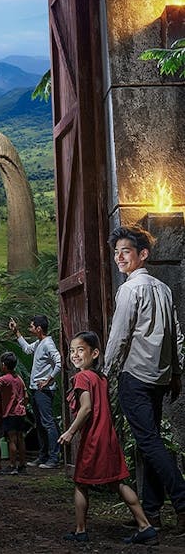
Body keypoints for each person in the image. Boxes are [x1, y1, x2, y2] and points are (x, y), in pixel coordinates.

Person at [104, 224, 185, 529]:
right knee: (146, 442)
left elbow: (119, 336)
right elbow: (176, 335)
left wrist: (104, 374)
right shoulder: (162, 288)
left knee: (148, 441)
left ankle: (181, 500)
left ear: (143, 254)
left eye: (126, 251)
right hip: (160, 378)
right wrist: (176, 373)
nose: (119, 257)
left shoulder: (130, 289)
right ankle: (151, 512)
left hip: (135, 376)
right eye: (116, 252)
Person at [57, 331, 157, 545]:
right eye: (72, 351)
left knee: (80, 483)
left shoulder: (82, 377)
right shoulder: (100, 378)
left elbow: (86, 409)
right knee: (117, 482)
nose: (75, 355)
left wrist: (70, 432)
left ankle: (81, 531)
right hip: (108, 437)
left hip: (93, 438)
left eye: (80, 350)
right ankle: (145, 526)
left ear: (94, 353)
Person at [10, 314, 62, 468]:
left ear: (39, 329)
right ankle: (43, 455)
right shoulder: (40, 342)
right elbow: (27, 349)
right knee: (40, 423)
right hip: (36, 389)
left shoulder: (47, 344)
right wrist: (16, 332)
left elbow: (59, 361)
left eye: (32, 326)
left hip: (44, 390)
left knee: (47, 422)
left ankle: (53, 457)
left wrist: (49, 379)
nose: (30, 328)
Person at [0, 351, 28, 474]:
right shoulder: (19, 378)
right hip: (21, 412)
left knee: (12, 439)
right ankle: (22, 465)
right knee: (21, 438)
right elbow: (26, 395)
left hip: (10, 413)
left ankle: (12, 465)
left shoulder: (4, 379)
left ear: (3, 365)